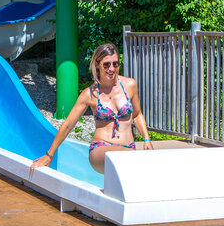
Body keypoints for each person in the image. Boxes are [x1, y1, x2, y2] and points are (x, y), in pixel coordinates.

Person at [29, 43, 153, 175]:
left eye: (115, 64)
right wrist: (49, 155)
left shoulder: (130, 85)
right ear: (97, 64)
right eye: (106, 65)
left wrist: (146, 139)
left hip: (128, 147)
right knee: (130, 160)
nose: (111, 69)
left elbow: (137, 114)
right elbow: (68, 125)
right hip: (101, 148)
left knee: (129, 162)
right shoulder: (90, 94)